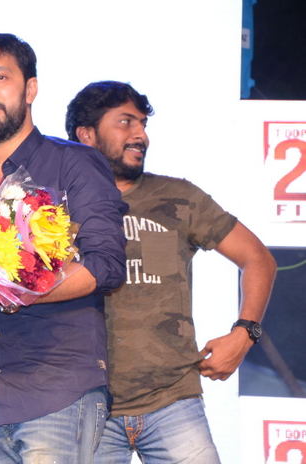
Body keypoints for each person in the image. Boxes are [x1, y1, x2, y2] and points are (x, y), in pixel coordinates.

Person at [0, 34, 127, 464]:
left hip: (59, 393)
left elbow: (105, 266)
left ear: (30, 89)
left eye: (0, 78)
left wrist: (8, 293)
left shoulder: (73, 162)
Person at [65, 81, 276, 463]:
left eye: (142, 124)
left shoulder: (178, 197)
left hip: (173, 401)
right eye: (125, 122)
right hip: (84, 407)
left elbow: (258, 258)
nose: (140, 135)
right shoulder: (54, 206)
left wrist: (245, 334)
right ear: (86, 134)